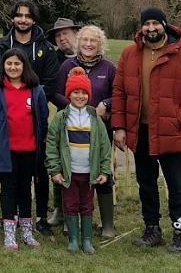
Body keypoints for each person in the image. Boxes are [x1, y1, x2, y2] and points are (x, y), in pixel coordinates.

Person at [112, 6, 181, 253]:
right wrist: (120, 126)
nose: (151, 28)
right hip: (140, 132)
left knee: (176, 185)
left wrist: (179, 119)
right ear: (141, 27)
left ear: (164, 25)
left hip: (170, 131)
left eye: (155, 23)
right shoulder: (129, 54)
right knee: (146, 184)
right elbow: (119, 91)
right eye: (146, 24)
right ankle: (152, 230)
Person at [0, 0, 59, 236]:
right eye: (19, 15)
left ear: (34, 20)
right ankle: (10, 218)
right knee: (11, 176)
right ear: (13, 18)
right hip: (9, 120)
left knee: (39, 172)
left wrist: (31, 96)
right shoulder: (1, 46)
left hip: (36, 119)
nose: (23, 20)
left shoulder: (45, 49)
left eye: (28, 16)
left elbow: (51, 83)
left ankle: (41, 217)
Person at [0, 48, 49, 251]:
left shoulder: (35, 90)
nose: (13, 67)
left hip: (29, 149)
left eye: (17, 64)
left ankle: (27, 231)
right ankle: (9, 233)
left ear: (24, 66)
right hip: (6, 149)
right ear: (3, 66)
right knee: (9, 189)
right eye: (9, 63)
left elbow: (43, 118)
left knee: (25, 189)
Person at [54, 25, 117, 237]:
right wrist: (73, 107)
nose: (89, 44)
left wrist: (107, 104)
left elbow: (119, 94)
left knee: (102, 172)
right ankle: (67, 219)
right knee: (68, 170)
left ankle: (107, 224)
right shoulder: (67, 66)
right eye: (85, 40)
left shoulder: (109, 68)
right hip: (71, 130)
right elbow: (55, 93)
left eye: (94, 41)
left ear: (100, 44)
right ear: (78, 42)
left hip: (99, 132)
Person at [46, 67, 112, 253]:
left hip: (89, 172)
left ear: (89, 95)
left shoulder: (95, 118)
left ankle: (87, 240)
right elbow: (52, 145)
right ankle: (73, 240)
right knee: (70, 204)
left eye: (84, 92)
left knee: (87, 205)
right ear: (69, 94)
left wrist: (104, 170)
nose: (80, 96)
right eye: (76, 92)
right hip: (69, 173)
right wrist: (55, 170)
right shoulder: (61, 118)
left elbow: (104, 147)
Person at [45, 17, 81, 229]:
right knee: (60, 164)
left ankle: (85, 211)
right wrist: (70, 106)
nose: (62, 38)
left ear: (75, 34)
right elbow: (51, 90)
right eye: (58, 35)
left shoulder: (92, 54)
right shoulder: (54, 60)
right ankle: (60, 208)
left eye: (66, 33)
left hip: (91, 119)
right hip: (63, 118)